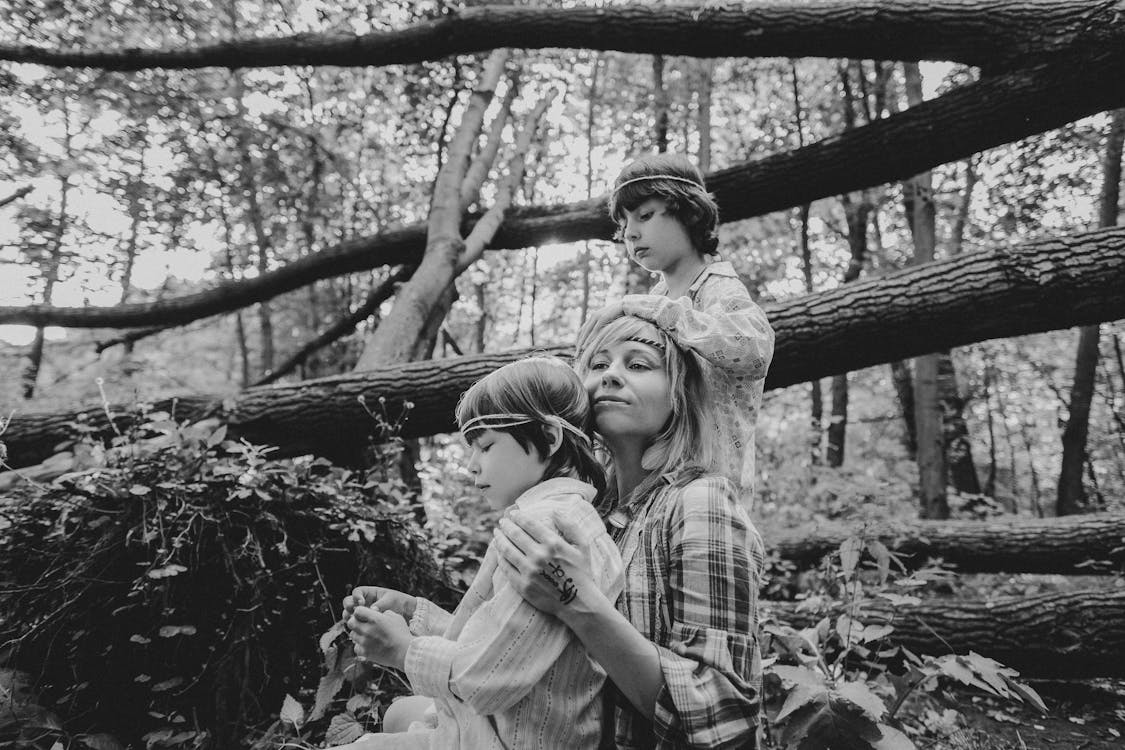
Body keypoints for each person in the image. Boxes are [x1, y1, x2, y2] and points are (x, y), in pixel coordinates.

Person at [495, 315, 765, 748]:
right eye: (598, 365)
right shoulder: (587, 511)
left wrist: (575, 599)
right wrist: (416, 626)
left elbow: (724, 714)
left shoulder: (700, 500)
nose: (611, 376)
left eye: (638, 365)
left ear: (679, 395)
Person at [337, 356, 625, 750]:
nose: (472, 465)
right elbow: (498, 638)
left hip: (502, 739)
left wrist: (402, 650)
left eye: (486, 445)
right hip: (499, 728)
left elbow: (488, 683)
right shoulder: (552, 515)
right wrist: (412, 613)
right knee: (397, 713)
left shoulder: (543, 533)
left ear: (549, 436)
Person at [579, 152, 774, 513]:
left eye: (645, 216)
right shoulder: (655, 299)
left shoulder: (719, 288)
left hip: (709, 493)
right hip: (651, 488)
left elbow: (752, 348)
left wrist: (643, 307)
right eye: (624, 224)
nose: (630, 232)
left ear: (690, 212)